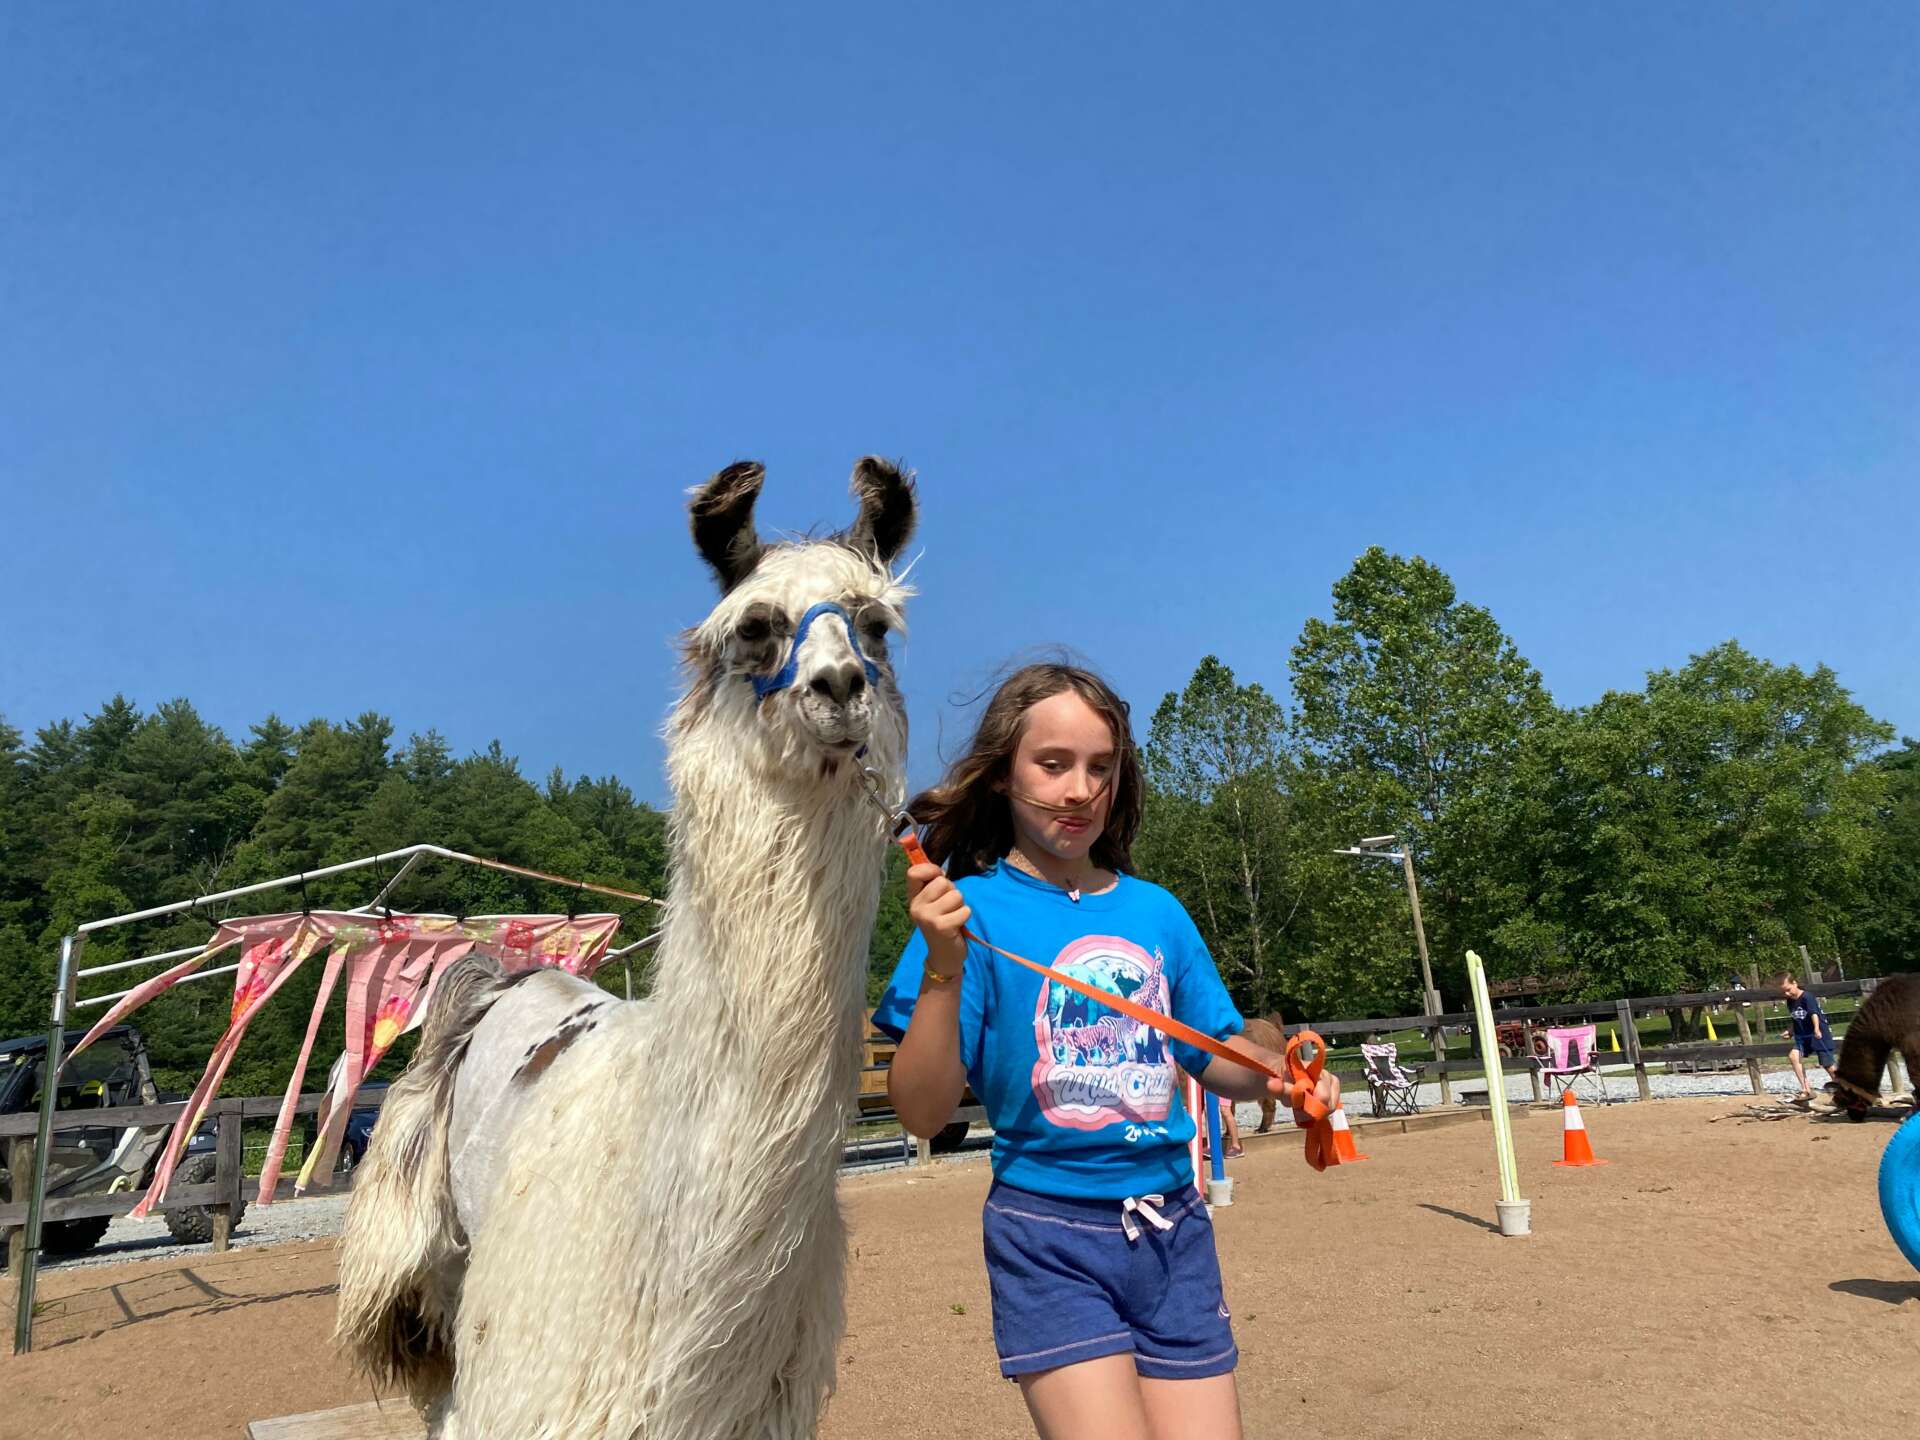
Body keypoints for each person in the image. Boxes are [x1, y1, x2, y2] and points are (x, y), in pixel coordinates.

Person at [873, 662, 1336, 1440]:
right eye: (1052, 765)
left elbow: (1216, 1052)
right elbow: (921, 1112)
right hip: (1047, 1235)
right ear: (1002, 776)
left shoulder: (1159, 912)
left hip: (1175, 1229)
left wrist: (1279, 1078)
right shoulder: (964, 912)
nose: (1080, 789)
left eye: (1100, 768)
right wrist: (944, 967)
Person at [1780, 974, 1837, 1101]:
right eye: (1784, 992)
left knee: (1828, 1065)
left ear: (1795, 983)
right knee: (1793, 1056)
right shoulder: (1790, 1001)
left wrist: (1816, 1029)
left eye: (1788, 990)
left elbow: (1814, 1014)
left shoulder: (1807, 997)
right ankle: (1806, 1089)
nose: (1787, 994)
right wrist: (1790, 1031)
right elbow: (1796, 1017)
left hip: (1819, 1034)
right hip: (1803, 1036)